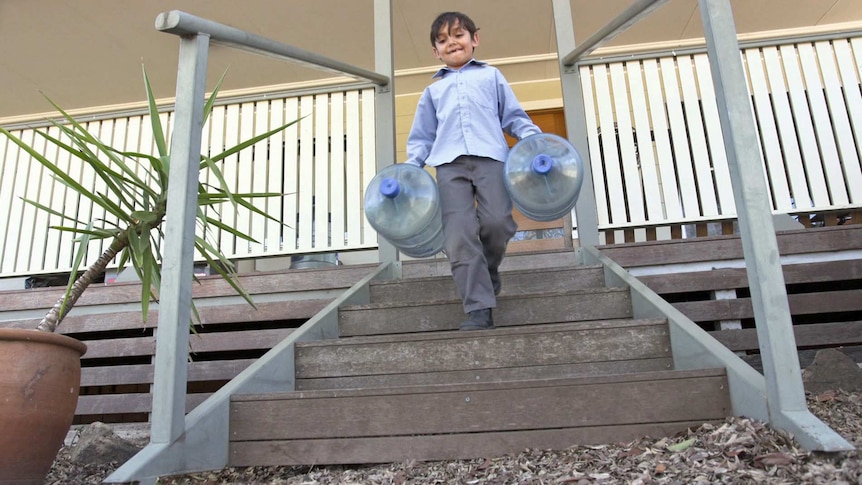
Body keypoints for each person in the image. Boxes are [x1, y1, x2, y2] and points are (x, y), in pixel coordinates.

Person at [404, 11, 542, 331]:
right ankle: (479, 308)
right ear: (435, 51)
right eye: (442, 40)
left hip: (491, 158)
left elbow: (513, 116)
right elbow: (423, 136)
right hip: (449, 166)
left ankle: (487, 272)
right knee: (458, 235)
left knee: (498, 223)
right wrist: (412, 165)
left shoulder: (491, 76)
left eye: (458, 34)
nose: (451, 42)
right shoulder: (432, 92)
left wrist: (532, 137)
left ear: (474, 39)